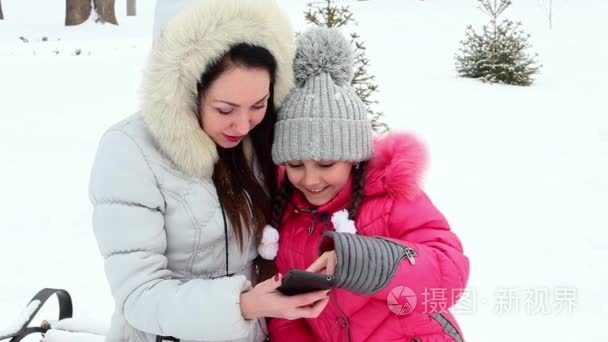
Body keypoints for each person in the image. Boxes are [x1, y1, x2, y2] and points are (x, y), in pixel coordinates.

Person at [88, 1, 329, 341]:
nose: (243, 124)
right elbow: (138, 296)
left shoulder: (263, 141)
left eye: (258, 105)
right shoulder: (130, 151)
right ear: (187, 92)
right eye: (225, 109)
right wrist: (244, 305)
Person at [264, 28, 470, 341]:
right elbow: (287, 315)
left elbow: (448, 273)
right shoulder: (286, 215)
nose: (310, 179)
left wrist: (360, 260)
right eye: (295, 165)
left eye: (326, 164)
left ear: (354, 157)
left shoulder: (391, 195)